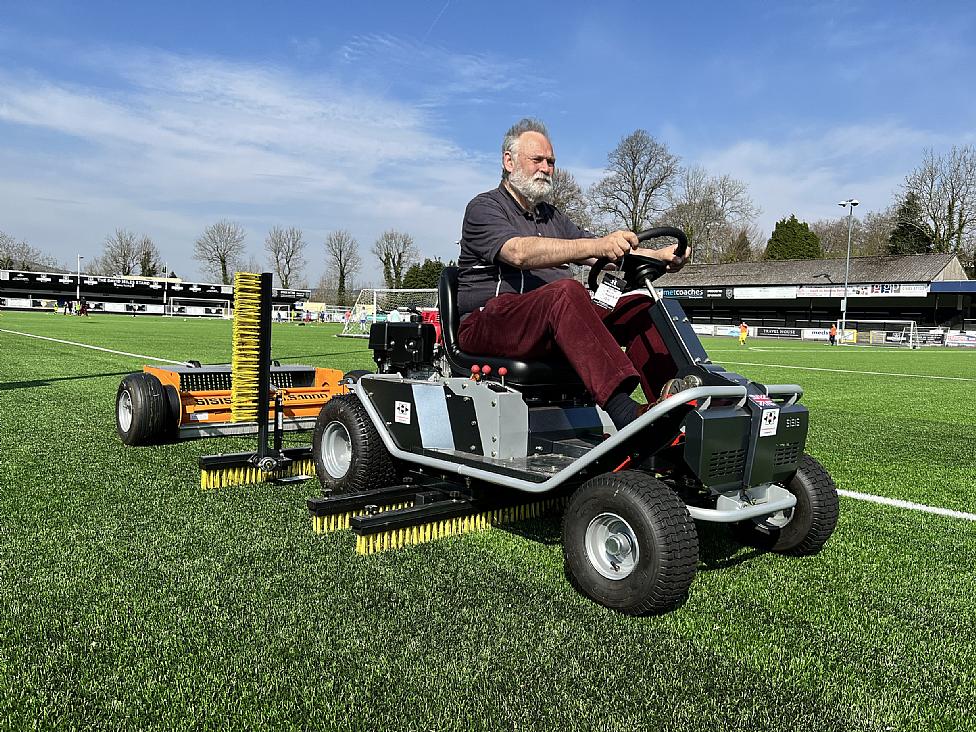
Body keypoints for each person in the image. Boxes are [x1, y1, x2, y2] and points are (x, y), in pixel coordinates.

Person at [457, 118, 688, 430]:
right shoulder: (484, 208)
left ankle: (674, 404)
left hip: (549, 321)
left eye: (550, 161)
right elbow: (519, 252)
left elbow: (600, 252)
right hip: (492, 319)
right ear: (509, 162)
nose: (546, 168)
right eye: (537, 159)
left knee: (638, 306)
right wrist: (598, 245)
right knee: (567, 291)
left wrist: (658, 254)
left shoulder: (552, 217)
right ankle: (626, 413)